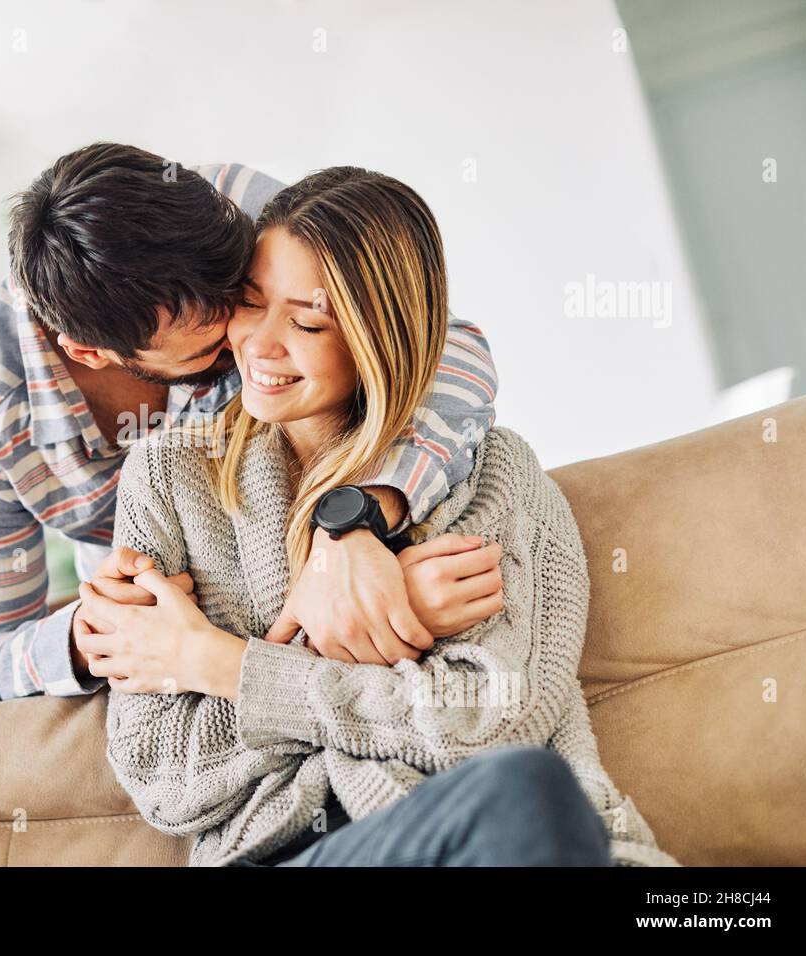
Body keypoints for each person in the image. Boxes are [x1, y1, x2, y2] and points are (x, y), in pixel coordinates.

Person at [85, 166, 678, 866]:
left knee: (539, 802)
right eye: (248, 304)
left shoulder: (494, 478)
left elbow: (496, 720)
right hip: (284, 857)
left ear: (379, 335)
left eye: (308, 321)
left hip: (492, 838)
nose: (263, 344)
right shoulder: (168, 476)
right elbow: (163, 775)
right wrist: (353, 651)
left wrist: (218, 662)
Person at [0, 143, 502, 699]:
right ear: (88, 352)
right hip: (171, 646)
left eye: (246, 298)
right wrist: (90, 637)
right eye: (211, 346)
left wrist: (353, 518)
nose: (249, 342)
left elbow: (433, 339)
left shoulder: (223, 209)